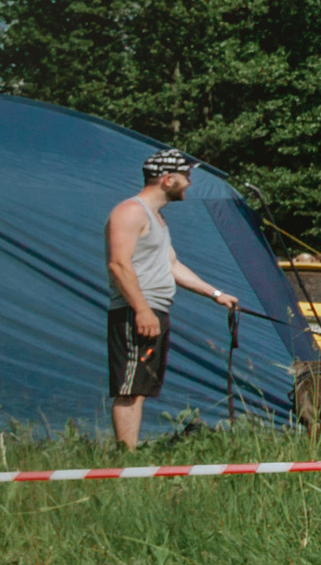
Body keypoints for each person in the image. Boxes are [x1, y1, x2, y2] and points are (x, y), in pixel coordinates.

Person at [102, 149, 238, 448]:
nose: (189, 182)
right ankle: (124, 460)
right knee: (128, 388)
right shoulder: (130, 211)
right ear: (167, 180)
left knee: (139, 388)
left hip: (154, 311)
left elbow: (171, 265)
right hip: (135, 312)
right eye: (185, 176)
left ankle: (130, 455)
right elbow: (118, 264)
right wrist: (142, 310)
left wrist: (216, 294)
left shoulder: (157, 219)